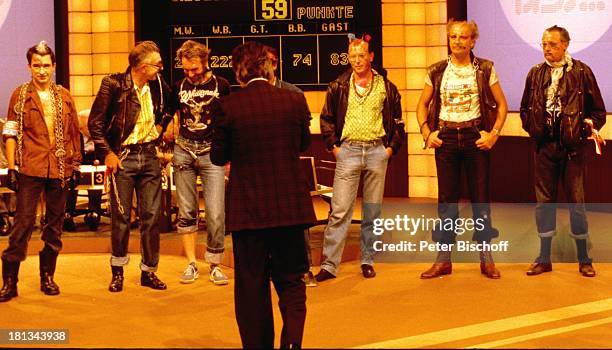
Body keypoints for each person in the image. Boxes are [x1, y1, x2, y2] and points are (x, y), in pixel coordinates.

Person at [211, 41, 315, 349]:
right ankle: (292, 343)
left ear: (238, 72)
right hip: (290, 210)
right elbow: (303, 144)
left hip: (249, 212)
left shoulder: (227, 107)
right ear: (268, 67)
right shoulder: (294, 101)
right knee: (292, 280)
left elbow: (218, 157)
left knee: (252, 287)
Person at [416, 19, 508, 279]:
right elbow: (422, 104)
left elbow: (502, 104)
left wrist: (494, 135)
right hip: (445, 138)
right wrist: (426, 132)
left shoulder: (485, 68)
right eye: (453, 36)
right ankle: (443, 259)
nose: (457, 41)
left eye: (463, 37)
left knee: (480, 200)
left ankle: (486, 259)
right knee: (446, 202)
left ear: (472, 41)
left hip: (474, 137)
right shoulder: (436, 70)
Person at [316, 33, 405, 282]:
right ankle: (329, 265)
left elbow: (399, 122)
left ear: (371, 57)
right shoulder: (338, 86)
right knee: (340, 209)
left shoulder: (386, 86)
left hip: (377, 151)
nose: (357, 60)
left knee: (372, 210)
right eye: (353, 56)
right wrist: (335, 147)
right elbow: (326, 119)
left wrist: (390, 149)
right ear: (348, 58)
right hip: (349, 151)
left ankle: (367, 260)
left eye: (362, 55)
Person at [520, 25, 606, 277]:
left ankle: (584, 259)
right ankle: (544, 258)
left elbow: (598, 111)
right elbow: (525, 109)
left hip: (572, 150)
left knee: (576, 204)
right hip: (544, 148)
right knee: (543, 204)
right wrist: (534, 129)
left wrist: (586, 127)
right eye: (544, 44)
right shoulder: (535, 73)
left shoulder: (582, 72)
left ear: (565, 45)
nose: (547, 48)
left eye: (553, 44)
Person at [0, 41, 82, 302]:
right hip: (29, 167)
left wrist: (76, 165)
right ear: (29, 66)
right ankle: (9, 283)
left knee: (54, 227)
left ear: (54, 67)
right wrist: (11, 167)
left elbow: (73, 134)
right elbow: (10, 133)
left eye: (46, 65)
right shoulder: (20, 95)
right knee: (23, 224)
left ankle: (47, 277)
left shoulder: (64, 96)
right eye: (37, 65)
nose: (42, 70)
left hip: (59, 168)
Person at [88, 41, 173, 292]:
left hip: (148, 155)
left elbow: (172, 103)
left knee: (150, 217)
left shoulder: (157, 84)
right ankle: (118, 272)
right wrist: (107, 153)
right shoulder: (113, 84)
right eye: (157, 64)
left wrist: (161, 126)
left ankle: (149, 271)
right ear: (143, 66)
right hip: (122, 157)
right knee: (122, 217)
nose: (161, 67)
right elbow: (95, 123)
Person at [171, 40, 230, 285]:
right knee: (186, 211)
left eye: (194, 69)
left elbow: (228, 121)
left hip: (211, 152)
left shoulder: (222, 86)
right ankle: (191, 263)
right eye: (186, 69)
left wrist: (228, 155)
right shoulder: (179, 86)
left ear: (205, 62)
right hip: (184, 149)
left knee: (216, 213)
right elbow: (172, 116)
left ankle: (214, 264)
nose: (190, 74)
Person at [264, 45, 317, 288]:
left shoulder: (294, 93)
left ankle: (304, 269)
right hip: (261, 171)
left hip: (288, 167)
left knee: (297, 223)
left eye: (270, 62)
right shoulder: (249, 93)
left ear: (276, 65)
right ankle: (269, 270)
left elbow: (303, 136)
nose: (266, 67)